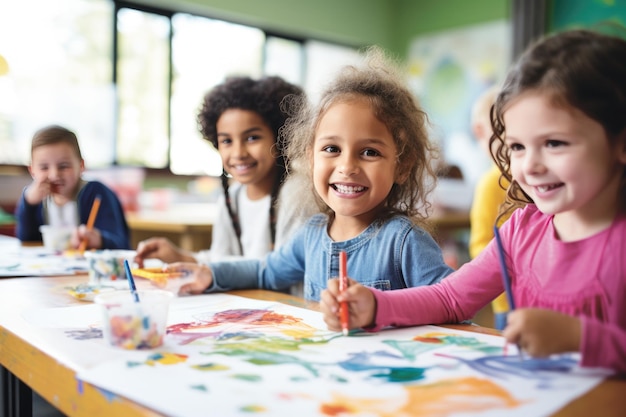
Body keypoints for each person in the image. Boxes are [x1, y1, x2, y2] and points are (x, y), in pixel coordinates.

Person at [320, 29, 626, 374]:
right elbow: (450, 298)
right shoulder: (520, 232)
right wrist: (375, 305)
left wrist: (581, 338)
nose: (530, 166)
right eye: (517, 147)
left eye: (554, 143)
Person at [166, 46, 454, 301]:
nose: (347, 166)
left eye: (369, 152)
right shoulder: (312, 234)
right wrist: (210, 275)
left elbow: (450, 303)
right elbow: (266, 271)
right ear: (310, 158)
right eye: (331, 149)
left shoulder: (404, 241)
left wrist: (382, 309)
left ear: (402, 165)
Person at [134, 76, 308, 267]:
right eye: (226, 141)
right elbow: (222, 259)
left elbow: (279, 270)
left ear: (281, 137)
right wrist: (180, 257)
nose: (238, 153)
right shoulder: (232, 197)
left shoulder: (297, 195)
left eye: (252, 138)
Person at [15, 125, 130, 249]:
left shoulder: (97, 193)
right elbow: (26, 241)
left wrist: (99, 240)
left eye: (63, 166)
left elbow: (121, 243)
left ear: (81, 166)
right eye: (44, 168)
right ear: (32, 171)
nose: (54, 175)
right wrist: (28, 203)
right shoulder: (35, 199)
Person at [468, 85, 511, 330]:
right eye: (503, 130)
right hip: (508, 301)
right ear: (480, 132)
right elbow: (481, 245)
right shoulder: (489, 184)